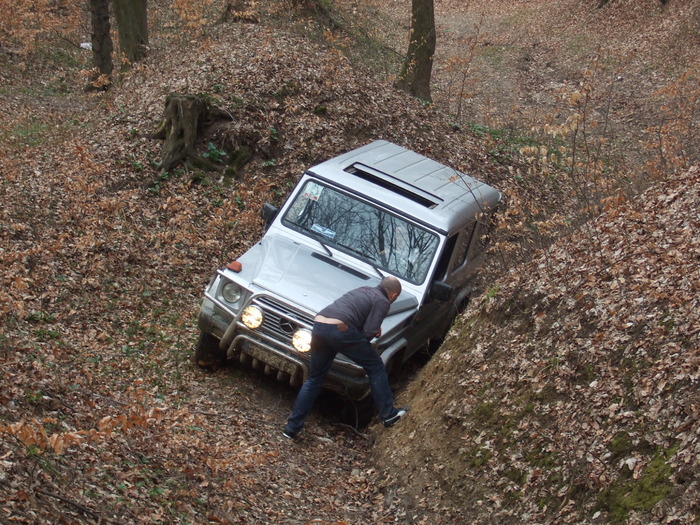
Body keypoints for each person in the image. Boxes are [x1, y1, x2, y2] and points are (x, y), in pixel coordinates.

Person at [283, 276, 408, 439]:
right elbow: (369, 333)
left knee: (314, 379)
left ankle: (291, 429)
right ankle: (388, 413)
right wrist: (367, 334)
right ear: (393, 295)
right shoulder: (383, 301)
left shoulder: (362, 290)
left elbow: (351, 314)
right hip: (339, 329)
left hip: (320, 325)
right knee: (375, 365)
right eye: (395, 297)